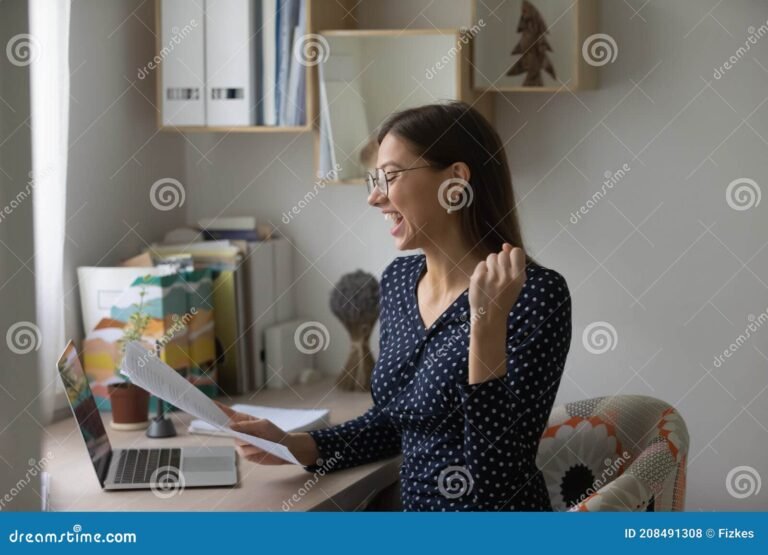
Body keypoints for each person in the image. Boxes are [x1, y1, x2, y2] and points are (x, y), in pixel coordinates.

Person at [219, 101, 572, 511]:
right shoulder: (400, 280)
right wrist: (295, 445)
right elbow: (394, 421)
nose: (374, 197)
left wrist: (486, 326)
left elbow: (499, 480)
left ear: (455, 182)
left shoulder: (536, 295)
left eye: (389, 177)